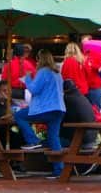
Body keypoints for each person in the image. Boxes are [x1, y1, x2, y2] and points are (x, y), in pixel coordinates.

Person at [13, 49, 66, 178]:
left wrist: (27, 78)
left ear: (40, 59)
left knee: (19, 116)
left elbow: (34, 89)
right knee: (54, 137)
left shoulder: (43, 72)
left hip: (44, 108)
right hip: (59, 108)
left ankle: (33, 140)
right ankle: (59, 170)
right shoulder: (57, 73)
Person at [60, 77, 98, 151]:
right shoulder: (81, 97)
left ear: (64, 90)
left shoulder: (68, 99)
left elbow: (64, 119)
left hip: (81, 140)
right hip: (92, 138)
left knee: (50, 143)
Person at [81, 37, 101, 109]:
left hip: (95, 87)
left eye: (86, 43)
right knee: (87, 110)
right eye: (83, 44)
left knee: (96, 109)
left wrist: (92, 65)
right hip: (85, 87)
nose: (84, 45)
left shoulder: (97, 53)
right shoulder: (82, 55)